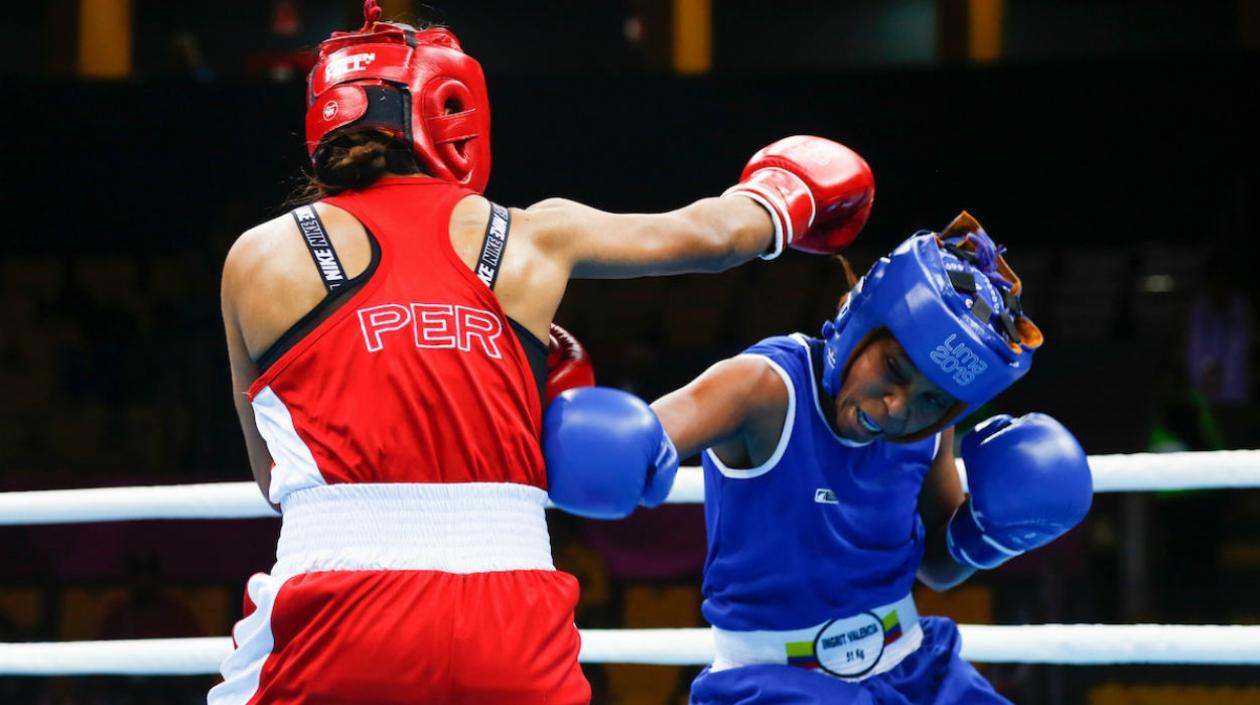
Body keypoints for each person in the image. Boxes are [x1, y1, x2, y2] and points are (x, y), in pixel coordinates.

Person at [211, 1, 876, 702]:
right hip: (512, 610)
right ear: (450, 109)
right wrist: (791, 192)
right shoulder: (530, 236)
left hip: (335, 607)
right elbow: (716, 236)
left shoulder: (257, 258)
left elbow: (272, 476)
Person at [543, 212, 1094, 703]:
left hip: (911, 666)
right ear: (861, 326)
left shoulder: (930, 425)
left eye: (932, 400)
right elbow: (648, 434)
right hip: (774, 683)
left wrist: (987, 535)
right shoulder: (764, 389)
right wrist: (617, 446)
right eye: (894, 369)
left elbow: (938, 564)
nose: (899, 407)